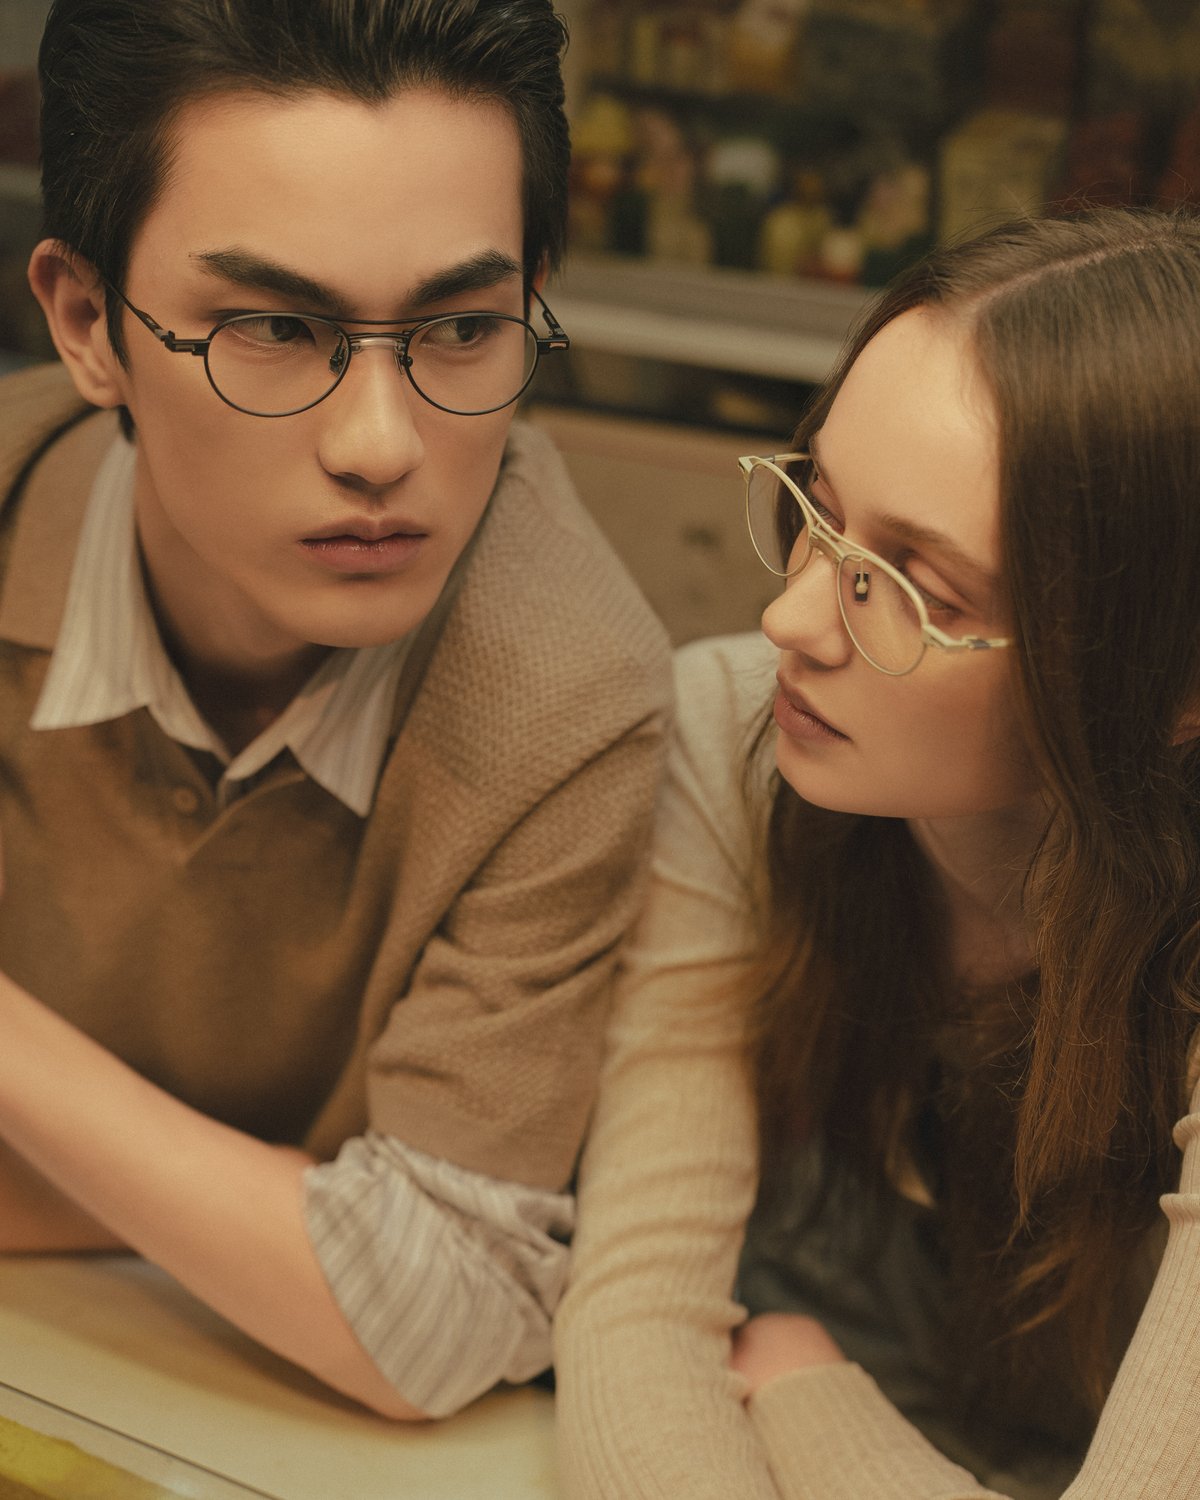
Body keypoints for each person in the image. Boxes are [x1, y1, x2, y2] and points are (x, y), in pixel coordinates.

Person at [0, 0, 670, 1420]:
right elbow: (375, 1275)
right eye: (274, 328)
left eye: (463, 328)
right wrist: (292, 1221)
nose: (380, 446)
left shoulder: (570, 692)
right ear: (87, 323)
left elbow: (443, 1310)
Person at [555, 208, 1200, 1499]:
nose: (791, 617)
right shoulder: (733, 738)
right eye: (820, 510)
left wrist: (810, 1395)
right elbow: (636, 1316)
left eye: (915, 590)